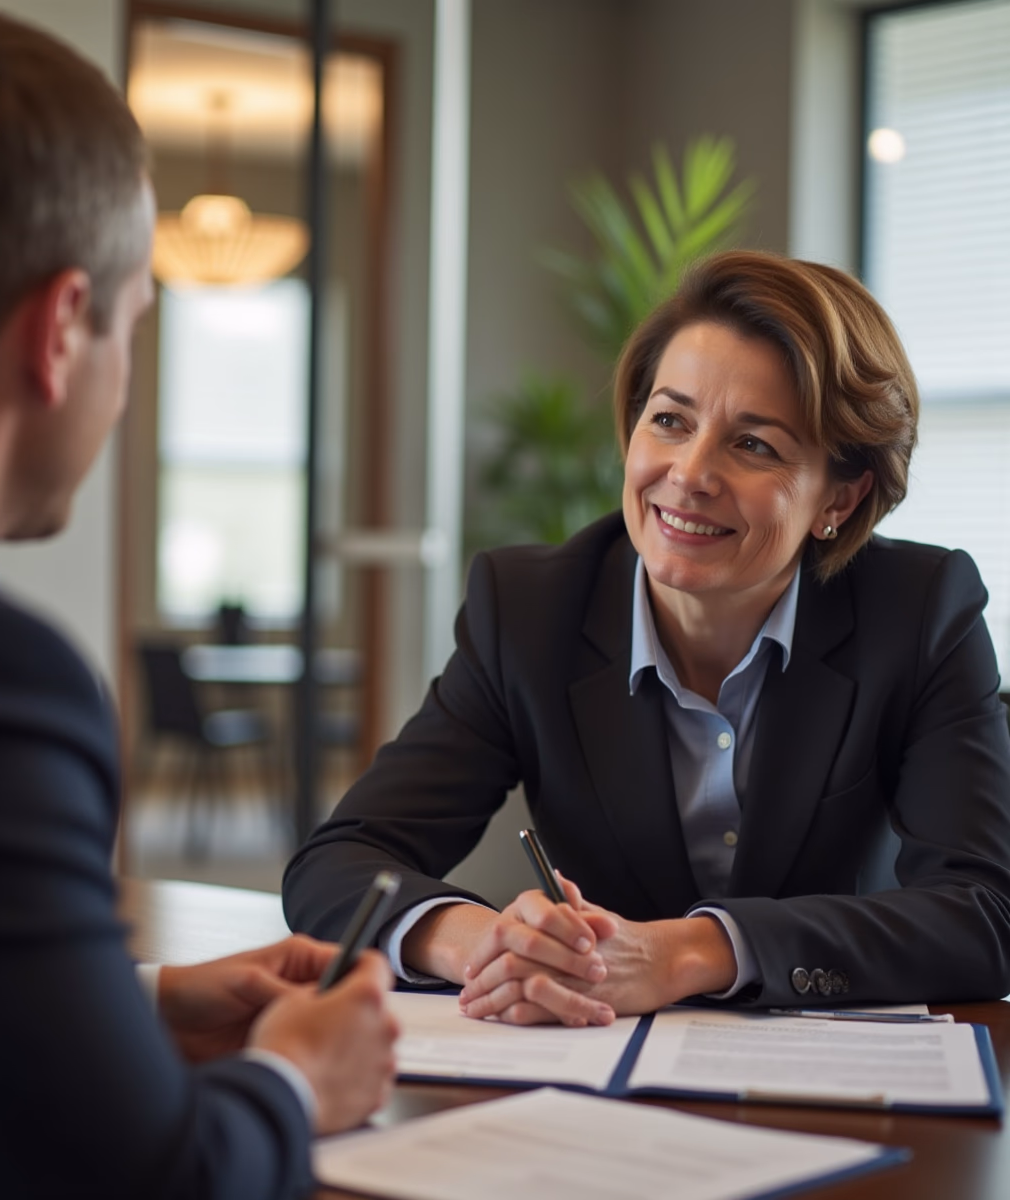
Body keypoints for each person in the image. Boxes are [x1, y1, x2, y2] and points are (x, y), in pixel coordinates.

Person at [0, 6, 397, 1198]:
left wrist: (119, 1007)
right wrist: (296, 1080)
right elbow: (144, 1181)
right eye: (133, 324)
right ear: (61, 328)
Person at [284, 248, 1010, 1025]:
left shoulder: (921, 611)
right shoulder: (530, 611)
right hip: (593, 1069)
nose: (689, 473)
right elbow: (339, 862)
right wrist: (483, 943)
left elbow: (986, 912)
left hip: (838, 1086)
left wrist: (692, 952)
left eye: (753, 444)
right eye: (670, 420)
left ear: (842, 493)